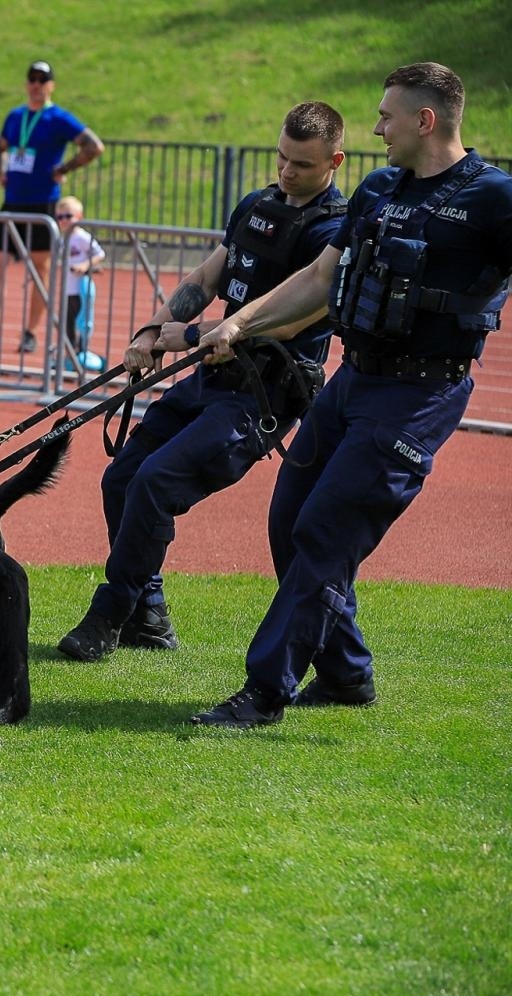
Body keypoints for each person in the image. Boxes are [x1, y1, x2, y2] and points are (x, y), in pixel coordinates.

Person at [189, 63, 512, 728]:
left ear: (425, 120)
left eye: (387, 116)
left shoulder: (492, 198)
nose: (375, 127)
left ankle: (265, 690)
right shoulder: (378, 187)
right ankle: (343, 675)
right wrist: (240, 323)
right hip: (352, 379)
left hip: (419, 394)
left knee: (327, 531)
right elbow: (318, 276)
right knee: (289, 521)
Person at [57, 102, 349, 666]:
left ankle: (110, 612)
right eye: (283, 158)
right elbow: (208, 275)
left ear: (335, 160)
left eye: (304, 165)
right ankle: (150, 612)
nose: (288, 172)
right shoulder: (257, 205)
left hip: (261, 396)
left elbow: (291, 318)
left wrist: (185, 335)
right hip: (207, 379)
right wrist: (152, 328)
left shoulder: (335, 231)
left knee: (156, 482)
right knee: (121, 477)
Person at [0, 61, 103, 355]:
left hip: (42, 203)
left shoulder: (59, 118)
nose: (36, 84)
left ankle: (30, 332)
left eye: (42, 79)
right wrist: (0, 170)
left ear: (51, 85)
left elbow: (93, 146)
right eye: (32, 79)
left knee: (40, 269)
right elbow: (0, 145)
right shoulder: (15, 116)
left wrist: (63, 168)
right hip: (12, 201)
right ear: (26, 84)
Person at [55, 195, 106, 365]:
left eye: (68, 216)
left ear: (79, 216)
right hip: (67, 289)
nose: (64, 220)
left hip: (80, 289)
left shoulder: (82, 237)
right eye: (60, 217)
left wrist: (85, 265)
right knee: (67, 324)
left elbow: (99, 254)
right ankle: (70, 356)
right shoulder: (62, 238)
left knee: (81, 322)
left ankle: (80, 354)